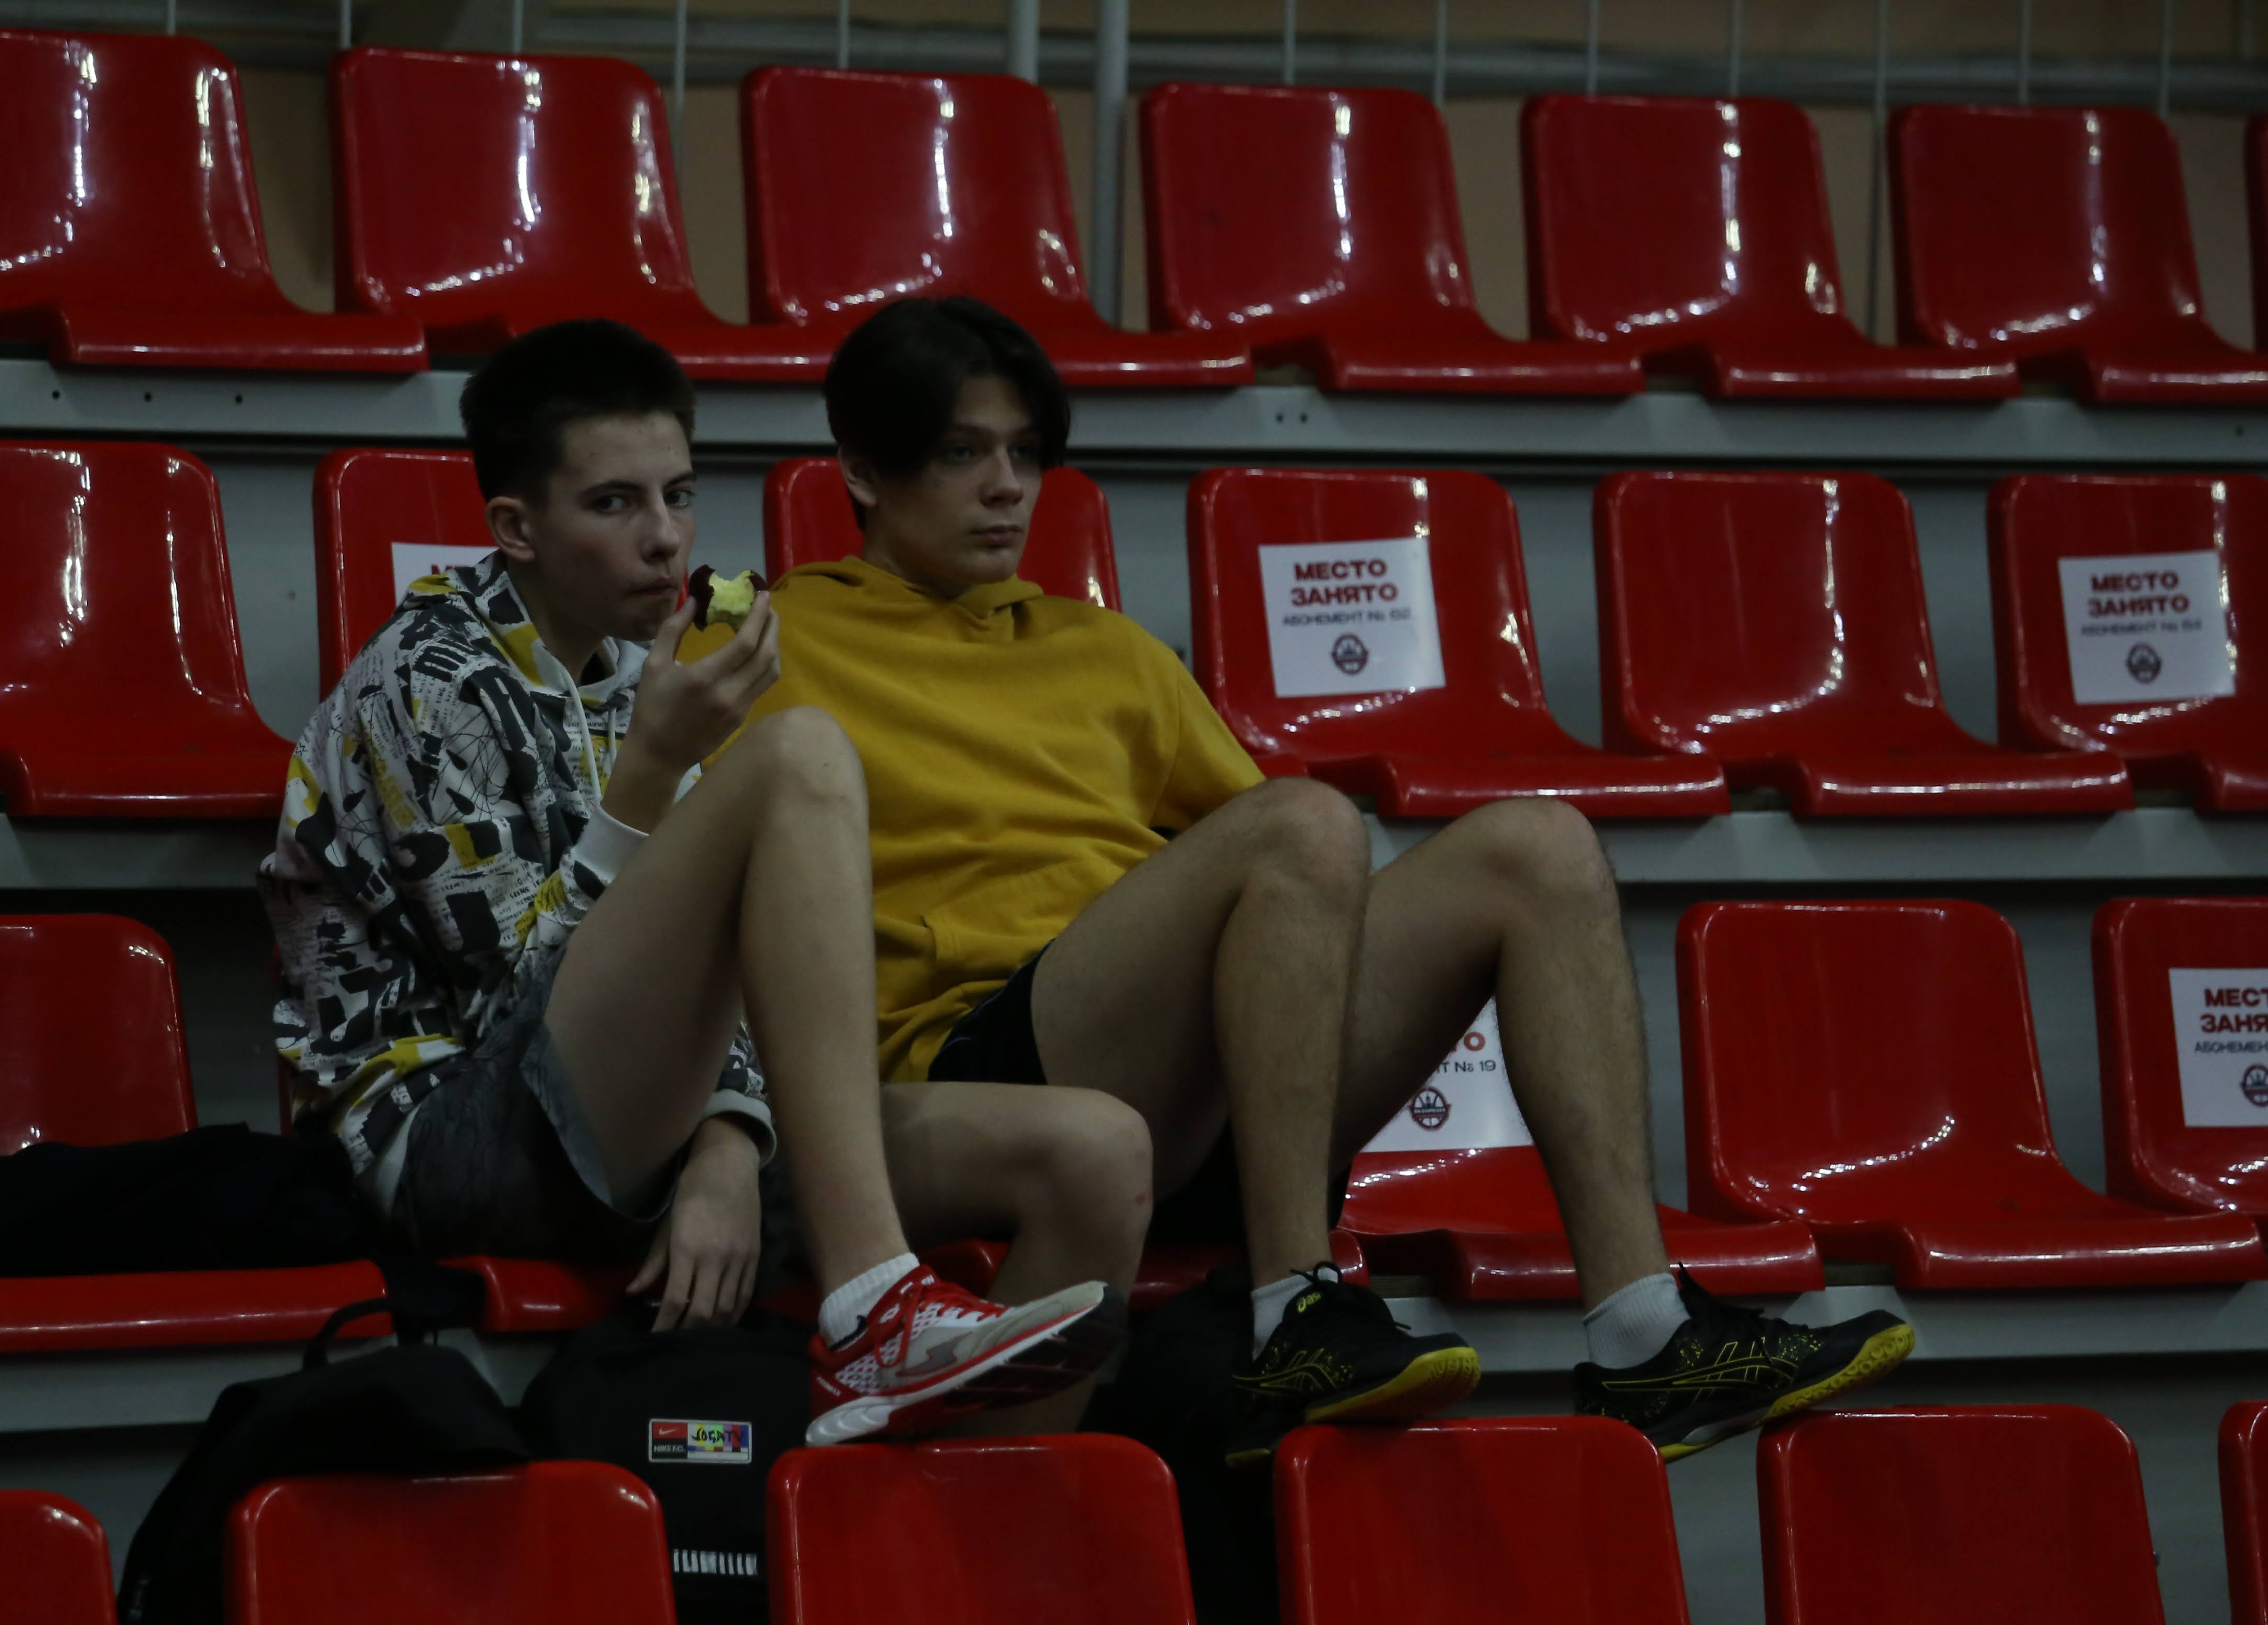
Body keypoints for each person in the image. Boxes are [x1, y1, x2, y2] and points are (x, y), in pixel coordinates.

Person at [716, 296, 1914, 1463]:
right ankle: (1292, 1300)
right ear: (861, 471)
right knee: (1300, 821)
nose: (1005, 487)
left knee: (1536, 848)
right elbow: (690, 905)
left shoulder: (1107, 651)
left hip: (1196, 1099)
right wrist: (721, 1138)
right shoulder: (768, 646)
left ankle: (1644, 1328)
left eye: (1025, 454)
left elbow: (1295, 894)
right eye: (960, 454)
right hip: (972, 1067)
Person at [259, 318, 1145, 1445]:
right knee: (800, 752)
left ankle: (975, 1528)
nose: (666, 539)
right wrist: (651, 771)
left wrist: (730, 1137)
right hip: (446, 1141)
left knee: (1096, 1149)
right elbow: (514, 1017)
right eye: (614, 504)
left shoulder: (642, 664)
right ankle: (874, 1303)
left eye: (678, 495)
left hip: (654, 1123)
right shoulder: (429, 680)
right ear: (516, 528)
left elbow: (714, 970)